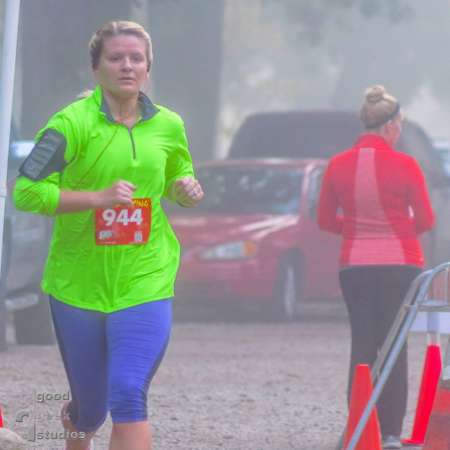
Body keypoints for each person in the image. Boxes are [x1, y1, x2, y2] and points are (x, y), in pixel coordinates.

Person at [13, 20, 204, 450]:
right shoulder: (70, 124)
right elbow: (26, 192)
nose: (127, 66)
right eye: (115, 58)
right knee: (92, 408)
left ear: (148, 68)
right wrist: (96, 198)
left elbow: (179, 175)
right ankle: (77, 425)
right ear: (96, 68)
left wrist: (185, 190)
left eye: (136, 58)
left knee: (128, 393)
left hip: (146, 278)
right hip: (78, 284)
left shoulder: (169, 125)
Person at [317, 85, 434, 449]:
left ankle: (359, 423)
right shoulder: (406, 165)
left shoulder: (336, 165)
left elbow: (324, 219)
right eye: (399, 124)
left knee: (362, 345)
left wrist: (353, 228)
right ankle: (391, 433)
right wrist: (397, 229)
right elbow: (427, 219)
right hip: (400, 265)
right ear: (389, 126)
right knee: (394, 345)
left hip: (354, 266)